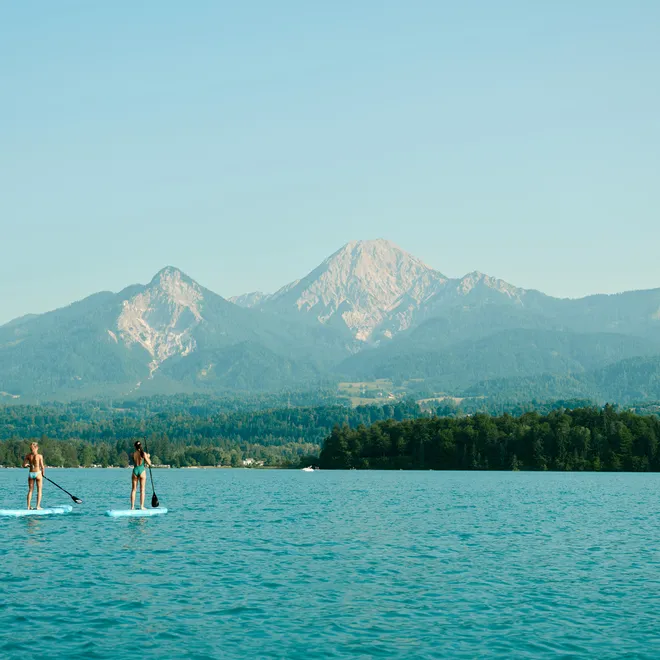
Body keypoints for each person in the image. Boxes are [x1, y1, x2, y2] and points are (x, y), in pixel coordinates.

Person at [22, 441, 45, 510]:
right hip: (38, 473)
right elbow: (42, 467)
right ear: (37, 447)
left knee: (30, 490)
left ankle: (28, 507)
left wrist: (28, 465)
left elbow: (23, 465)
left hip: (31, 474)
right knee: (39, 490)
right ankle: (38, 506)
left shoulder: (28, 456)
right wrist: (43, 474)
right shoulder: (39, 456)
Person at [131, 441, 152, 510]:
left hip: (135, 471)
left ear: (135, 447)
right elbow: (149, 463)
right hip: (141, 471)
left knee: (134, 490)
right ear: (141, 446)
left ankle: (132, 507)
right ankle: (142, 506)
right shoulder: (144, 453)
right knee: (142, 490)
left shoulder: (133, 454)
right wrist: (148, 457)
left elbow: (136, 460)